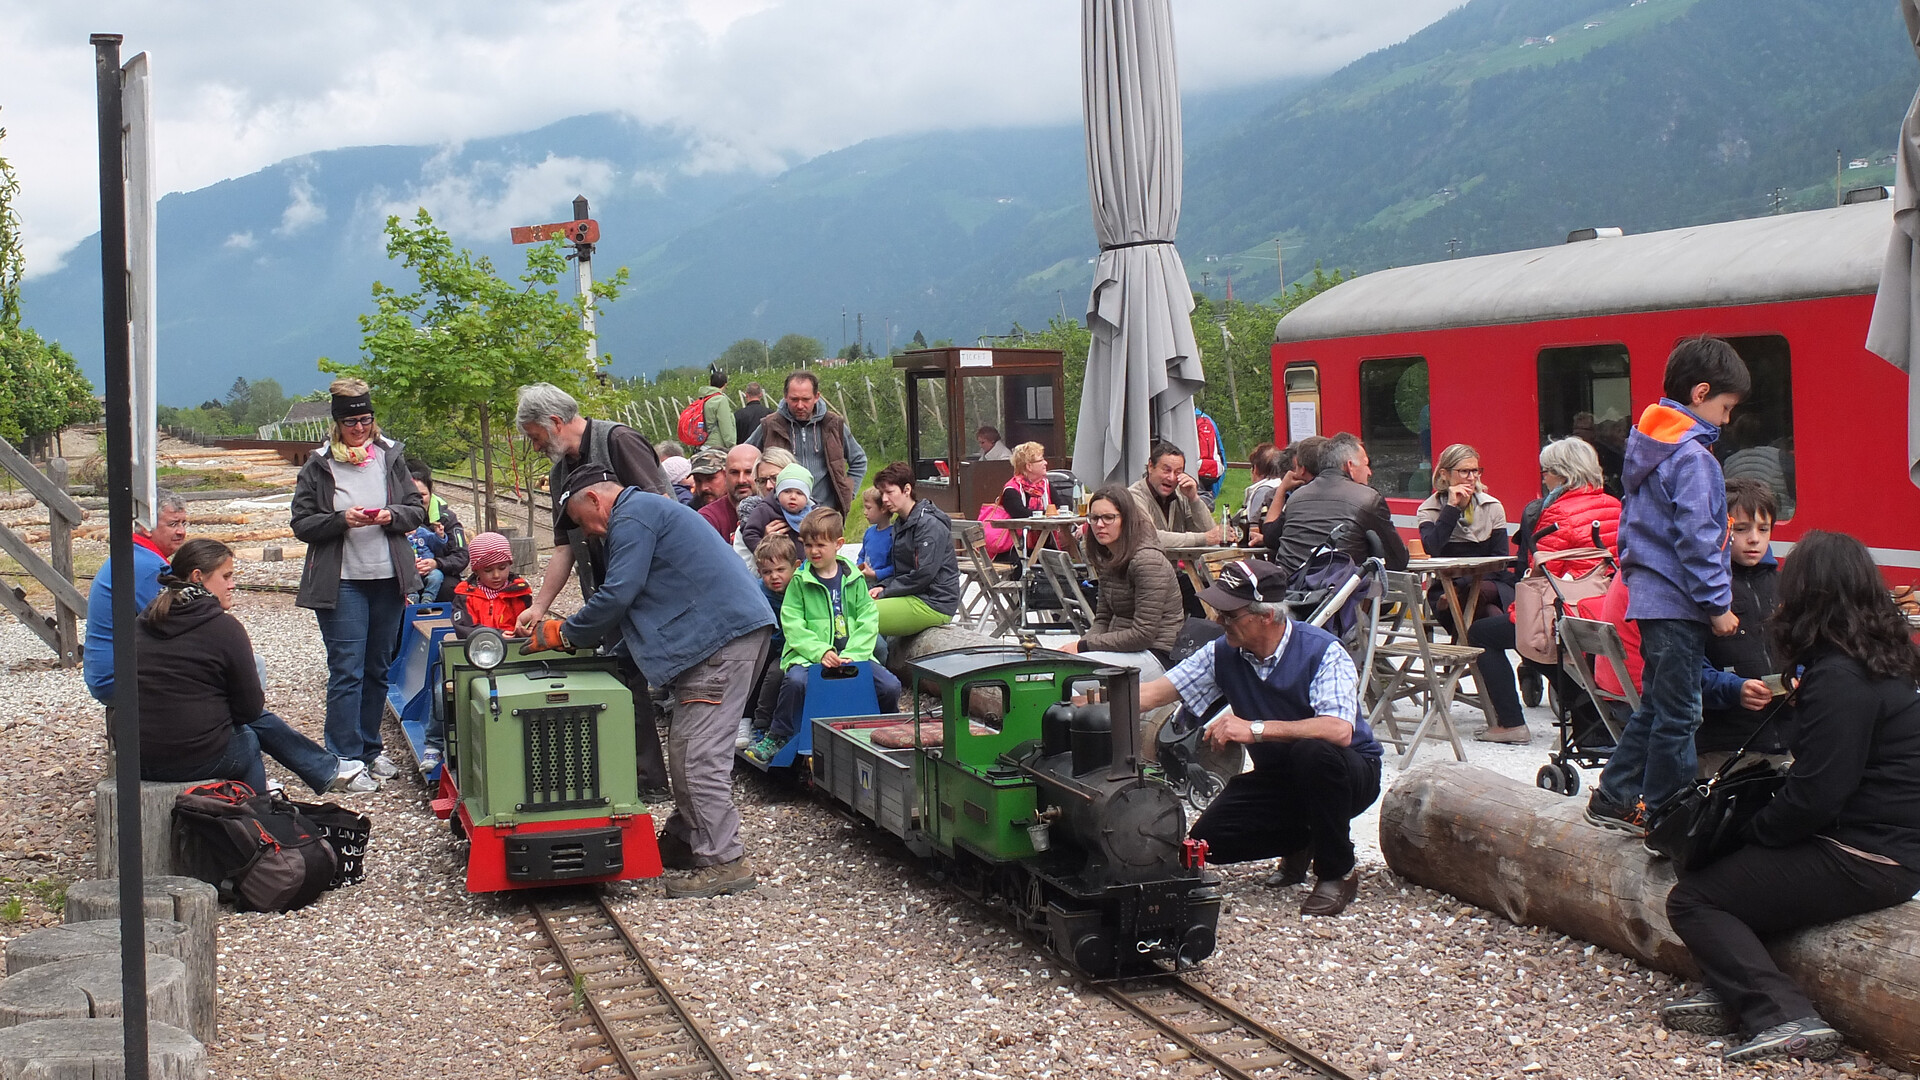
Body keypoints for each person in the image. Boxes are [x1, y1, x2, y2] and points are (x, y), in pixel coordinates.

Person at [1662, 530, 1920, 1065]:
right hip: (1890, 843)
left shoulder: (1840, 677)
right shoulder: (1886, 658)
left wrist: (1749, 835)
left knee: (1693, 898)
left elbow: (1816, 798)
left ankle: (1782, 1016)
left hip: (1869, 853)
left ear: (1809, 596)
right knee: (1726, 872)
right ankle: (1734, 989)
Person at [532, 463, 775, 899]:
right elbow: (649, 603)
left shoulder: (633, 515)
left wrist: (564, 633)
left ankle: (724, 861)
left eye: (581, 522)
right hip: (724, 634)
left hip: (720, 641)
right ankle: (686, 839)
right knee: (687, 748)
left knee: (697, 756)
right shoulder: (643, 512)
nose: (588, 534)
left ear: (593, 500)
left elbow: (621, 591)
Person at [1137, 559, 1382, 917]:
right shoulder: (1224, 650)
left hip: (1347, 774)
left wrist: (1255, 728)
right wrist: (1088, 694)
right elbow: (1157, 692)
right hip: (1282, 778)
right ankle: (1305, 836)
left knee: (1313, 753)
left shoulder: (1322, 651)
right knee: (1209, 842)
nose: (1219, 623)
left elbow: (1338, 730)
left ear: (1267, 615)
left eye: (1229, 615)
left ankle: (1337, 872)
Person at [1585, 336, 1750, 836]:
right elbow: (1699, 538)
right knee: (1682, 715)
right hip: (1679, 602)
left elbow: (1630, 531)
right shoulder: (1694, 458)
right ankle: (1670, 816)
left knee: (1657, 705)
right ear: (1701, 393)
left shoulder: (1650, 447)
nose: (1725, 420)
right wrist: (1718, 603)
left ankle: (1614, 796)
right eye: (1725, 408)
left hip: (1651, 597)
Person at [515, 381, 673, 801]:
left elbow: (663, 511)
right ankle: (638, 777)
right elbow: (565, 547)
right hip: (608, 591)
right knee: (622, 679)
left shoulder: (619, 441)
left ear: (553, 422)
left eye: (534, 437)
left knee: (652, 680)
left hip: (645, 586)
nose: (534, 447)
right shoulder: (558, 472)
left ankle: (656, 781)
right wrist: (539, 606)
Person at [139, 538, 378, 795]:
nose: (233, 585)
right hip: (191, 758)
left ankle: (320, 772)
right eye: (227, 576)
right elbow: (249, 710)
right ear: (198, 577)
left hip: (138, 756)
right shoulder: (223, 628)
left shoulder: (144, 620)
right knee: (247, 738)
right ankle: (259, 811)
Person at [1588, 479, 1783, 771]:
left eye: (1763, 529)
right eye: (1741, 529)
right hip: (1720, 739)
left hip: (1781, 734)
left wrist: (1798, 677)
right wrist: (1734, 688)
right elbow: (1684, 667)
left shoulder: (1781, 585)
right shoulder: (1697, 589)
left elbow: (1801, 646)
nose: (1754, 539)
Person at [291, 377, 427, 780]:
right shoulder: (319, 463)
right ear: (337, 423)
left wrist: (391, 516)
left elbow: (416, 509)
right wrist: (339, 521)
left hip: (388, 577)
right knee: (347, 668)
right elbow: (301, 522)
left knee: (377, 667)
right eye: (352, 422)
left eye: (365, 420)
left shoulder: (390, 456)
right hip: (343, 579)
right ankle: (344, 758)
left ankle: (369, 749)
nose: (359, 428)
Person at [1466, 437, 1620, 743]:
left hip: (1569, 609)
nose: (1543, 478)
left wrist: (1515, 613)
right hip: (1606, 609)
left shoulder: (1558, 513)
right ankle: (1588, 712)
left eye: (1546, 471)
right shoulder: (1614, 504)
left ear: (1563, 475)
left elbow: (1543, 576)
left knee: (1484, 634)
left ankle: (1511, 723)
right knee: (1541, 645)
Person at [747, 508, 904, 762]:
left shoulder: (854, 579)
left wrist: (854, 654)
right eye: (808, 545)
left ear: (838, 544)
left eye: (820, 544)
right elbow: (793, 623)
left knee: (890, 685)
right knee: (795, 682)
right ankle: (778, 734)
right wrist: (821, 651)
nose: (814, 551)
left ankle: (887, 727)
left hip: (853, 655)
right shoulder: (799, 582)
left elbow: (867, 619)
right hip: (808, 656)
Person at [426, 531, 532, 773]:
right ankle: (433, 743)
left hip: (511, 653)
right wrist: (491, 634)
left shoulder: (520, 591)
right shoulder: (464, 593)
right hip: (472, 654)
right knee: (442, 690)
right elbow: (462, 627)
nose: (496, 575)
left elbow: (527, 620)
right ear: (476, 570)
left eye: (502, 567)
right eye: (488, 570)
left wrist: (521, 631)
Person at [1055, 485, 1183, 681]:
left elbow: (1143, 634)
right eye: (1094, 518)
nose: (1099, 525)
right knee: (1056, 668)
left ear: (1126, 520)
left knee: (1064, 681)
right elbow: (1103, 619)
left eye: (1109, 517)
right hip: (1122, 651)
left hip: (1156, 656)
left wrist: (1084, 647)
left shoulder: (1148, 561)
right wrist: (1079, 648)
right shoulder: (1109, 557)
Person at [85, 489, 188, 705]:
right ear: (145, 527)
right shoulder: (150, 568)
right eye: (173, 524)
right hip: (119, 677)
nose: (181, 532)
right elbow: (175, 626)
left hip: (109, 671)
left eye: (184, 524)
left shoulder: (133, 554)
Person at [1267, 432, 1410, 578]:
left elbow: (1271, 537)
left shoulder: (1296, 497)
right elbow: (1398, 560)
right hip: (1335, 594)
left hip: (1288, 590)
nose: (1369, 472)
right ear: (1350, 466)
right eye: (1366, 464)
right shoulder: (1368, 499)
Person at [1414, 443, 1513, 629]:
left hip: (1491, 585)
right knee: (1488, 616)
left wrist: (1461, 586)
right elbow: (1432, 548)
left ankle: (1462, 644)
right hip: (1445, 588)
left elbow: (1500, 562)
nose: (1472, 477)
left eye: (1475, 471)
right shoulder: (1428, 509)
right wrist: (1451, 508)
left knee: (1477, 600)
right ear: (1445, 474)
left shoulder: (1493, 507)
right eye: (1464, 471)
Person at [744, 370, 869, 514]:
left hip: (824, 515)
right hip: (781, 515)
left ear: (816, 397)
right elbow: (745, 458)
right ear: (785, 397)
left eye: (806, 399)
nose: (800, 405)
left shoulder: (833, 425)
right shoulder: (770, 425)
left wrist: (847, 493)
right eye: (794, 399)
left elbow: (859, 459)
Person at [870, 462, 961, 637]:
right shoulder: (901, 523)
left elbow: (924, 574)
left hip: (934, 602)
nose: (884, 499)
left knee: (862, 617)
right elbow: (901, 571)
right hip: (913, 596)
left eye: (889, 492)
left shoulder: (929, 524)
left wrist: (887, 592)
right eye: (882, 493)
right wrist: (882, 585)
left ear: (907, 489)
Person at [740, 534, 803, 749]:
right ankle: (749, 720)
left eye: (780, 570)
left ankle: (766, 722)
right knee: (756, 666)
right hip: (770, 644)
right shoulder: (759, 592)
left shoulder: (803, 587)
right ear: (760, 572)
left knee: (776, 674)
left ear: (795, 567)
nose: (774, 577)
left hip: (795, 646)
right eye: (767, 572)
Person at [1129, 440, 1220, 549]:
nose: (1171, 478)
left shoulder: (1181, 494)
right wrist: (1202, 538)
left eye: (1177, 472)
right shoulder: (1133, 496)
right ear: (1150, 467)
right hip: (1143, 565)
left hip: (1178, 565)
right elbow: (1150, 537)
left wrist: (1194, 499)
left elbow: (1211, 534)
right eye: (1166, 470)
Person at [406, 462, 468, 603]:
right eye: (412, 495)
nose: (418, 500)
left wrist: (437, 563)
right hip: (404, 575)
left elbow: (461, 555)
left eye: (422, 495)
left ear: (430, 493)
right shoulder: (395, 517)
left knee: (449, 588)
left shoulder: (447, 518)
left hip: (439, 573)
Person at [732, 448, 796, 565]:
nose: (768, 486)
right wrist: (764, 544)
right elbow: (743, 570)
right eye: (762, 481)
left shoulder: (811, 514)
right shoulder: (749, 521)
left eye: (775, 478)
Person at [740, 463, 816, 555]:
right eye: (787, 491)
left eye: (799, 493)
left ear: (807, 498)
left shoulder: (814, 514)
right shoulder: (765, 510)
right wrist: (764, 551)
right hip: (774, 564)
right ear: (778, 492)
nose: (793, 496)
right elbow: (749, 534)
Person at [698, 443, 761, 543]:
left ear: (761, 473)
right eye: (734, 472)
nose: (741, 480)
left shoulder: (777, 510)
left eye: (749, 472)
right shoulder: (708, 518)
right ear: (725, 475)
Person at [856, 487, 894, 587]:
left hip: (882, 584)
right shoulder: (869, 532)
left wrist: (876, 574)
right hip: (864, 581)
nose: (865, 512)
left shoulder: (893, 535)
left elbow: (895, 566)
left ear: (883, 509)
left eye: (868, 508)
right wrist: (859, 566)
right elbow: (862, 555)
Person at [701, 367, 737, 450]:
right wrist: (731, 444)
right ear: (725, 384)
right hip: (717, 446)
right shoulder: (720, 400)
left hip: (703, 443)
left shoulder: (703, 398)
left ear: (710, 383)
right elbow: (725, 424)